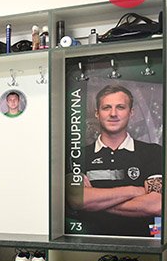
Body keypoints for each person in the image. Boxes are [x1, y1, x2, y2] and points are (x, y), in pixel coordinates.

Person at [68, 85, 161, 236]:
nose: (113, 114)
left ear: (131, 112)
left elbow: (156, 204)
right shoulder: (77, 155)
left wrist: (94, 202)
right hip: (88, 243)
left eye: (120, 107)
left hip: (141, 244)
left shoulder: (153, 152)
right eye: (106, 108)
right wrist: (135, 190)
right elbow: (76, 199)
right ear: (97, 113)